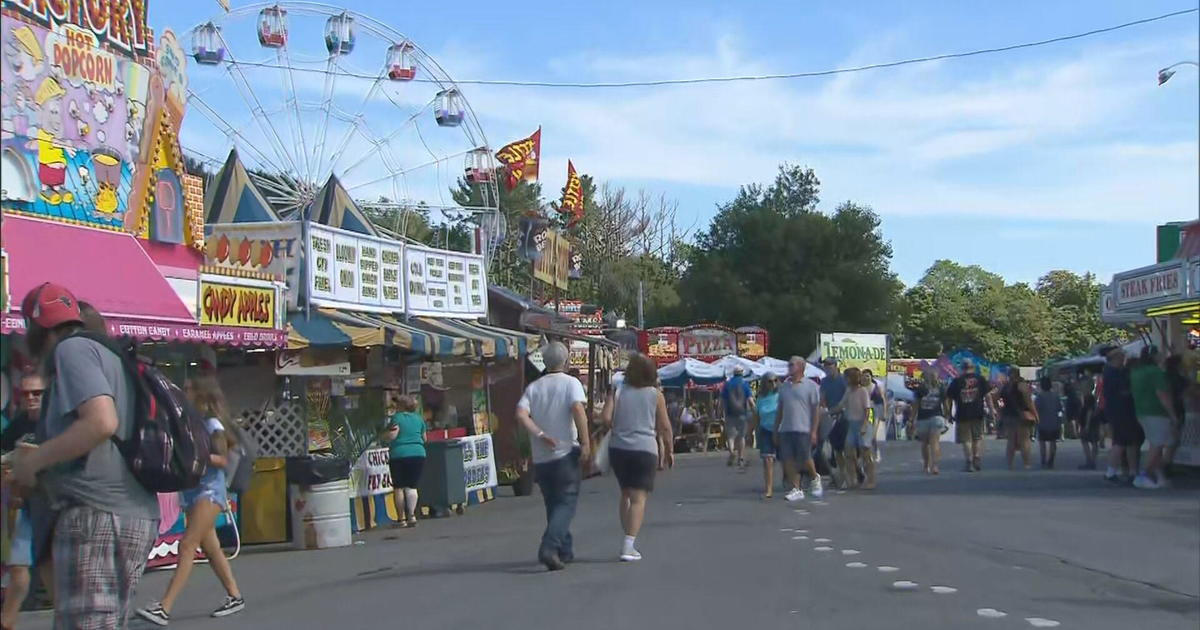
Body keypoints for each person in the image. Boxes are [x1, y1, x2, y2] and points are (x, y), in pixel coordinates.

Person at [12, 283, 159, 628]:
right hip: (130, 511)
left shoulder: (71, 351)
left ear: (38, 325)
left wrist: (33, 461)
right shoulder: (108, 353)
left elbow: (101, 422)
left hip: (97, 515)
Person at [137, 375, 245, 625]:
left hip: (210, 493)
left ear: (200, 394)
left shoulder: (212, 425)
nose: (184, 392)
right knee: (212, 548)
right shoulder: (191, 421)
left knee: (187, 546)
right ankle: (234, 595)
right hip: (194, 493)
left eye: (188, 388)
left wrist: (194, 454)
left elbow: (222, 459)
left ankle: (164, 607)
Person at [515, 341, 591, 571]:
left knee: (553, 503)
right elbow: (578, 410)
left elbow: (520, 414)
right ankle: (549, 547)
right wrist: (586, 442)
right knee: (566, 502)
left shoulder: (534, 388)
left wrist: (538, 434)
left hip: (542, 457)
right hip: (565, 451)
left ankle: (564, 550)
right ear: (566, 362)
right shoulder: (571, 383)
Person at [600, 353, 672, 562]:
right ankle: (628, 545)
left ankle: (627, 537)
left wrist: (615, 428)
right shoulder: (655, 395)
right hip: (644, 449)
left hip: (619, 449)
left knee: (625, 494)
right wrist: (669, 451)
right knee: (639, 499)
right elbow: (665, 426)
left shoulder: (618, 391)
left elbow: (605, 418)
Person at [1, 374, 52, 630]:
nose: (31, 398)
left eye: (37, 393)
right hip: (23, 503)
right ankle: (6, 622)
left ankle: (69, 620)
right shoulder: (17, 425)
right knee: (19, 567)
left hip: (50, 503)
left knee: (47, 567)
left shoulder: (54, 423)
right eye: (26, 394)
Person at [1129, 349, 1179, 489]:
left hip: (1142, 412)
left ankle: (1159, 476)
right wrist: (1173, 415)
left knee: (1157, 443)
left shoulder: (1136, 372)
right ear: (1154, 356)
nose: (1162, 356)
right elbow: (1163, 394)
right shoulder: (1156, 372)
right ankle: (1143, 476)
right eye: (1159, 353)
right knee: (1158, 445)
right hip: (1157, 412)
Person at [776, 357, 824, 501]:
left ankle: (815, 477)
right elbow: (780, 410)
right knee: (788, 459)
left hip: (804, 428)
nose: (789, 367)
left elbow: (816, 410)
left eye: (792, 365)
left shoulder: (811, 386)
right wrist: (775, 429)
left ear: (801, 367)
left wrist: (814, 431)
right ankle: (796, 489)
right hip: (786, 428)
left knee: (804, 457)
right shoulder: (784, 387)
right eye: (788, 364)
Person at [381, 394, 427, 527]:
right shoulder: (419, 419)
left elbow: (393, 435)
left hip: (399, 455)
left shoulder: (397, 418)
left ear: (401, 406)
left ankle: (401, 519)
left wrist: (383, 436)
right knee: (412, 486)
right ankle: (412, 515)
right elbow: (425, 438)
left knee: (399, 487)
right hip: (418, 454)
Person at [1102, 349, 1142, 484]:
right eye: (1122, 357)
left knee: (1127, 442)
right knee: (1122, 442)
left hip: (1120, 411)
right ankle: (1112, 472)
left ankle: (1131, 471)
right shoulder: (1113, 373)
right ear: (1115, 358)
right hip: (1120, 412)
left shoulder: (1112, 372)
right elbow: (1122, 391)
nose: (1123, 360)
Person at [946, 359, 992, 472]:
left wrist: (948, 413)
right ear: (973, 367)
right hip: (978, 413)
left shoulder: (957, 381)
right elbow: (988, 396)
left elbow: (948, 399)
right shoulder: (980, 379)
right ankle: (976, 457)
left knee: (966, 439)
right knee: (977, 437)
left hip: (962, 413)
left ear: (962, 368)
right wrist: (992, 410)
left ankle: (969, 461)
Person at [842, 368, 876, 490]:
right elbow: (842, 404)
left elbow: (867, 410)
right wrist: (827, 412)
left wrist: (865, 425)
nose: (845, 379)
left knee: (865, 453)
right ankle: (853, 479)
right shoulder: (849, 391)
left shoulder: (862, 391)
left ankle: (871, 480)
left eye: (846, 377)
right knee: (849, 453)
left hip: (862, 423)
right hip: (852, 424)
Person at [818, 358, 847, 483]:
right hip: (830, 417)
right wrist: (824, 410)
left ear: (836, 366)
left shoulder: (843, 380)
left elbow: (847, 399)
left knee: (844, 450)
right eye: (825, 365)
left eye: (830, 364)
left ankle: (847, 475)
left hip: (844, 417)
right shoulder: (824, 381)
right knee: (827, 451)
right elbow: (822, 399)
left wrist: (836, 410)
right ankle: (836, 476)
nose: (827, 367)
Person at [999, 371, 1036, 470]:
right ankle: (1026, 463)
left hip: (1008, 415)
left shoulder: (1005, 387)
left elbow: (997, 399)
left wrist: (1000, 411)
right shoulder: (1021, 385)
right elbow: (1029, 401)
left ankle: (1010, 465)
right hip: (1021, 415)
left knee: (1011, 441)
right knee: (1024, 440)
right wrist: (1036, 414)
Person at [912, 371, 947, 474]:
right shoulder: (941, 388)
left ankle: (926, 465)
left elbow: (916, 404)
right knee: (935, 442)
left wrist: (912, 418)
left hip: (923, 418)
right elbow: (946, 403)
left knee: (925, 443)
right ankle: (935, 466)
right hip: (937, 417)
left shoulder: (920, 388)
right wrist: (947, 415)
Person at [752, 374, 781, 498]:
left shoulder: (781, 395)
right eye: (770, 381)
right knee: (768, 460)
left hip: (780, 429)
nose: (773, 383)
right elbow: (757, 416)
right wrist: (752, 432)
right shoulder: (761, 398)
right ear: (765, 383)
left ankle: (793, 482)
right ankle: (769, 489)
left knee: (787, 459)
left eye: (775, 380)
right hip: (765, 430)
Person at [720, 367, 755, 471]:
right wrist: (755, 411)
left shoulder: (727, 384)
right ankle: (741, 457)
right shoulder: (745, 384)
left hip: (730, 413)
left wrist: (719, 412)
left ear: (734, 373)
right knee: (741, 437)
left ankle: (732, 452)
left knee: (731, 436)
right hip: (742, 413)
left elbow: (722, 400)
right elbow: (750, 400)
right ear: (742, 373)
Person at [1162, 354, 1188, 473]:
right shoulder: (1179, 379)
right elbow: (1188, 392)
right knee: (1173, 440)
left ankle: (1166, 463)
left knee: (1167, 439)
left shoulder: (1163, 376)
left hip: (1164, 410)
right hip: (1176, 410)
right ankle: (1166, 464)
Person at [1035, 377, 1063, 469]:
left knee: (1042, 442)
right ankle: (1051, 460)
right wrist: (1059, 420)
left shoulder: (1039, 396)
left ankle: (1043, 460)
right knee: (1053, 442)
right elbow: (1060, 409)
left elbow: (1036, 409)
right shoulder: (1056, 396)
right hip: (1054, 422)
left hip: (1042, 422)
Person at [862, 369, 888, 464]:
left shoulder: (876, 386)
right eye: (864, 376)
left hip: (875, 411)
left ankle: (876, 451)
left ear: (871, 377)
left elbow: (883, 400)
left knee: (872, 434)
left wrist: (884, 413)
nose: (866, 378)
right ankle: (867, 455)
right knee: (866, 435)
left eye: (868, 376)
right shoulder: (860, 387)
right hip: (864, 412)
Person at [1077, 375, 1101, 470]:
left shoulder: (1088, 398)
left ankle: (1090, 460)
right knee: (1093, 441)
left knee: (1085, 441)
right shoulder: (1091, 397)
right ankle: (1092, 461)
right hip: (1093, 422)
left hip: (1088, 422)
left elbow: (1089, 411)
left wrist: (1086, 424)